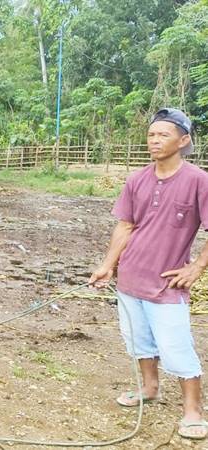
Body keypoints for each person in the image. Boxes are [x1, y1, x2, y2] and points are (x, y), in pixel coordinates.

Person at [90, 107, 208, 440]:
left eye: (163, 135)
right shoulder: (137, 179)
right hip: (130, 278)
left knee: (176, 345)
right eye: (151, 135)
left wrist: (197, 266)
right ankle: (150, 387)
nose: (155, 141)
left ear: (183, 140)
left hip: (167, 283)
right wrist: (107, 265)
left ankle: (193, 411)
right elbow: (125, 226)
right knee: (138, 340)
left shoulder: (199, 181)